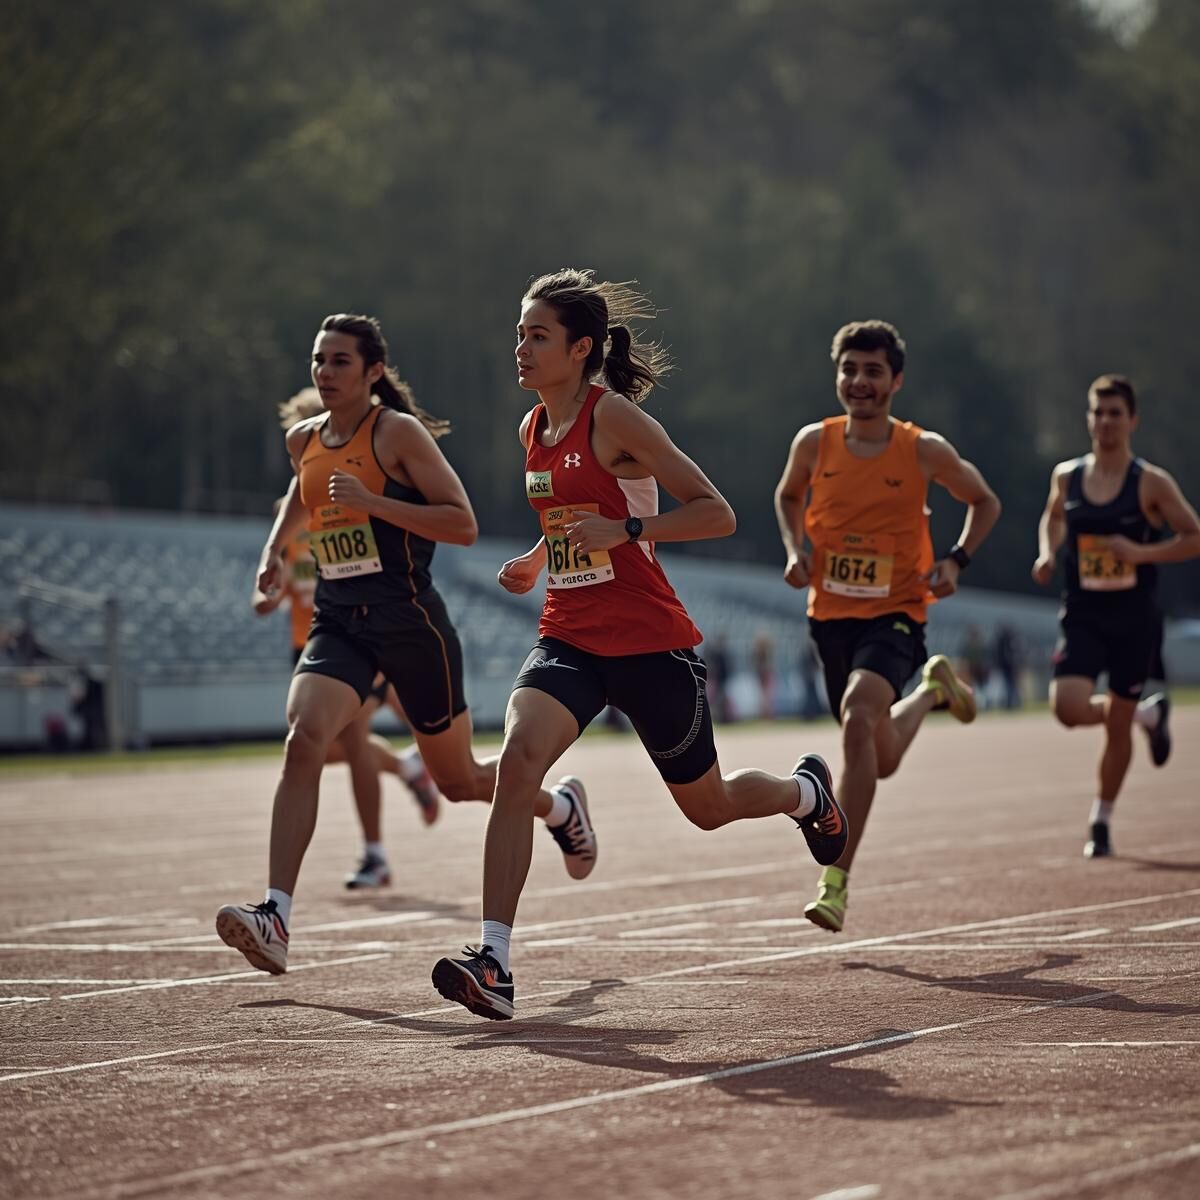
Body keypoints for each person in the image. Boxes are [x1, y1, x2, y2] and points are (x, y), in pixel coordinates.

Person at [431, 269, 847, 1021]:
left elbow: (714, 512)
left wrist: (626, 532)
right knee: (519, 762)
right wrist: (537, 557)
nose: (520, 348)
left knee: (710, 807)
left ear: (579, 347)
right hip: (570, 636)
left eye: (537, 335)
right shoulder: (534, 427)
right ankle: (494, 960)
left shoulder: (615, 419)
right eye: (519, 333)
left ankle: (805, 793)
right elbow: (571, 511)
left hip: (653, 644)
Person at [217, 313, 597, 975]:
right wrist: (273, 552)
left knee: (461, 781)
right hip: (340, 623)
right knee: (305, 736)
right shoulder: (303, 439)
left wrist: (374, 501)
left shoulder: (396, 435)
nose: (325, 373)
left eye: (340, 362)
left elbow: (463, 523)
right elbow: (297, 496)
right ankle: (276, 914)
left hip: (409, 622)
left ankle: (558, 806)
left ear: (372, 372)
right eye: (318, 360)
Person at [775, 319, 1001, 933]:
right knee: (877, 754)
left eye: (873, 371)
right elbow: (788, 496)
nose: (859, 382)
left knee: (856, 716)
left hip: (898, 611)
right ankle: (932, 691)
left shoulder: (922, 449)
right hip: (831, 618)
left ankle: (835, 881)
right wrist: (797, 550)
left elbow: (984, 500)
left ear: (896, 380)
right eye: (850, 369)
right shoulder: (814, 444)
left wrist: (956, 559)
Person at [251, 389, 442, 893]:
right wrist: (272, 594)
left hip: (364, 626)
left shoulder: (361, 478)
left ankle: (375, 854)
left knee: (353, 740)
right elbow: (292, 576)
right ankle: (406, 766)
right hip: (313, 638)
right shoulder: (291, 509)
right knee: (317, 746)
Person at [1032, 374, 1200, 858]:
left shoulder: (1150, 482)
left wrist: (1140, 554)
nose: (1104, 422)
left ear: (1132, 421)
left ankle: (1101, 820)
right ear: (1088, 418)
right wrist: (1048, 553)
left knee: (1115, 724)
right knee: (1066, 708)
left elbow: (1192, 536)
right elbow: (1054, 515)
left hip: (1134, 618)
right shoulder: (1067, 476)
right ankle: (1149, 715)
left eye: (1114, 414)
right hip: (1083, 611)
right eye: (1097, 412)